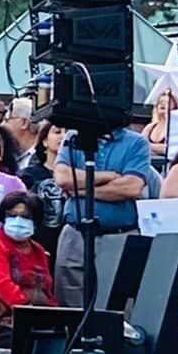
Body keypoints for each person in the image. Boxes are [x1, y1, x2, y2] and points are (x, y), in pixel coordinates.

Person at [54, 119, 154, 309]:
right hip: (75, 236)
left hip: (119, 237)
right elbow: (63, 177)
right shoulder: (73, 136)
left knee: (115, 311)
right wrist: (108, 176)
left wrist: (81, 191)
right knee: (70, 308)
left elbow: (130, 187)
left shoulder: (137, 142)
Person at [0, 194, 57, 349]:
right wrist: (28, 312)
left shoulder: (38, 250)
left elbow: (47, 291)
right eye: (12, 215)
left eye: (25, 217)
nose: (18, 221)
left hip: (37, 323)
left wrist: (56, 317)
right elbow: (2, 283)